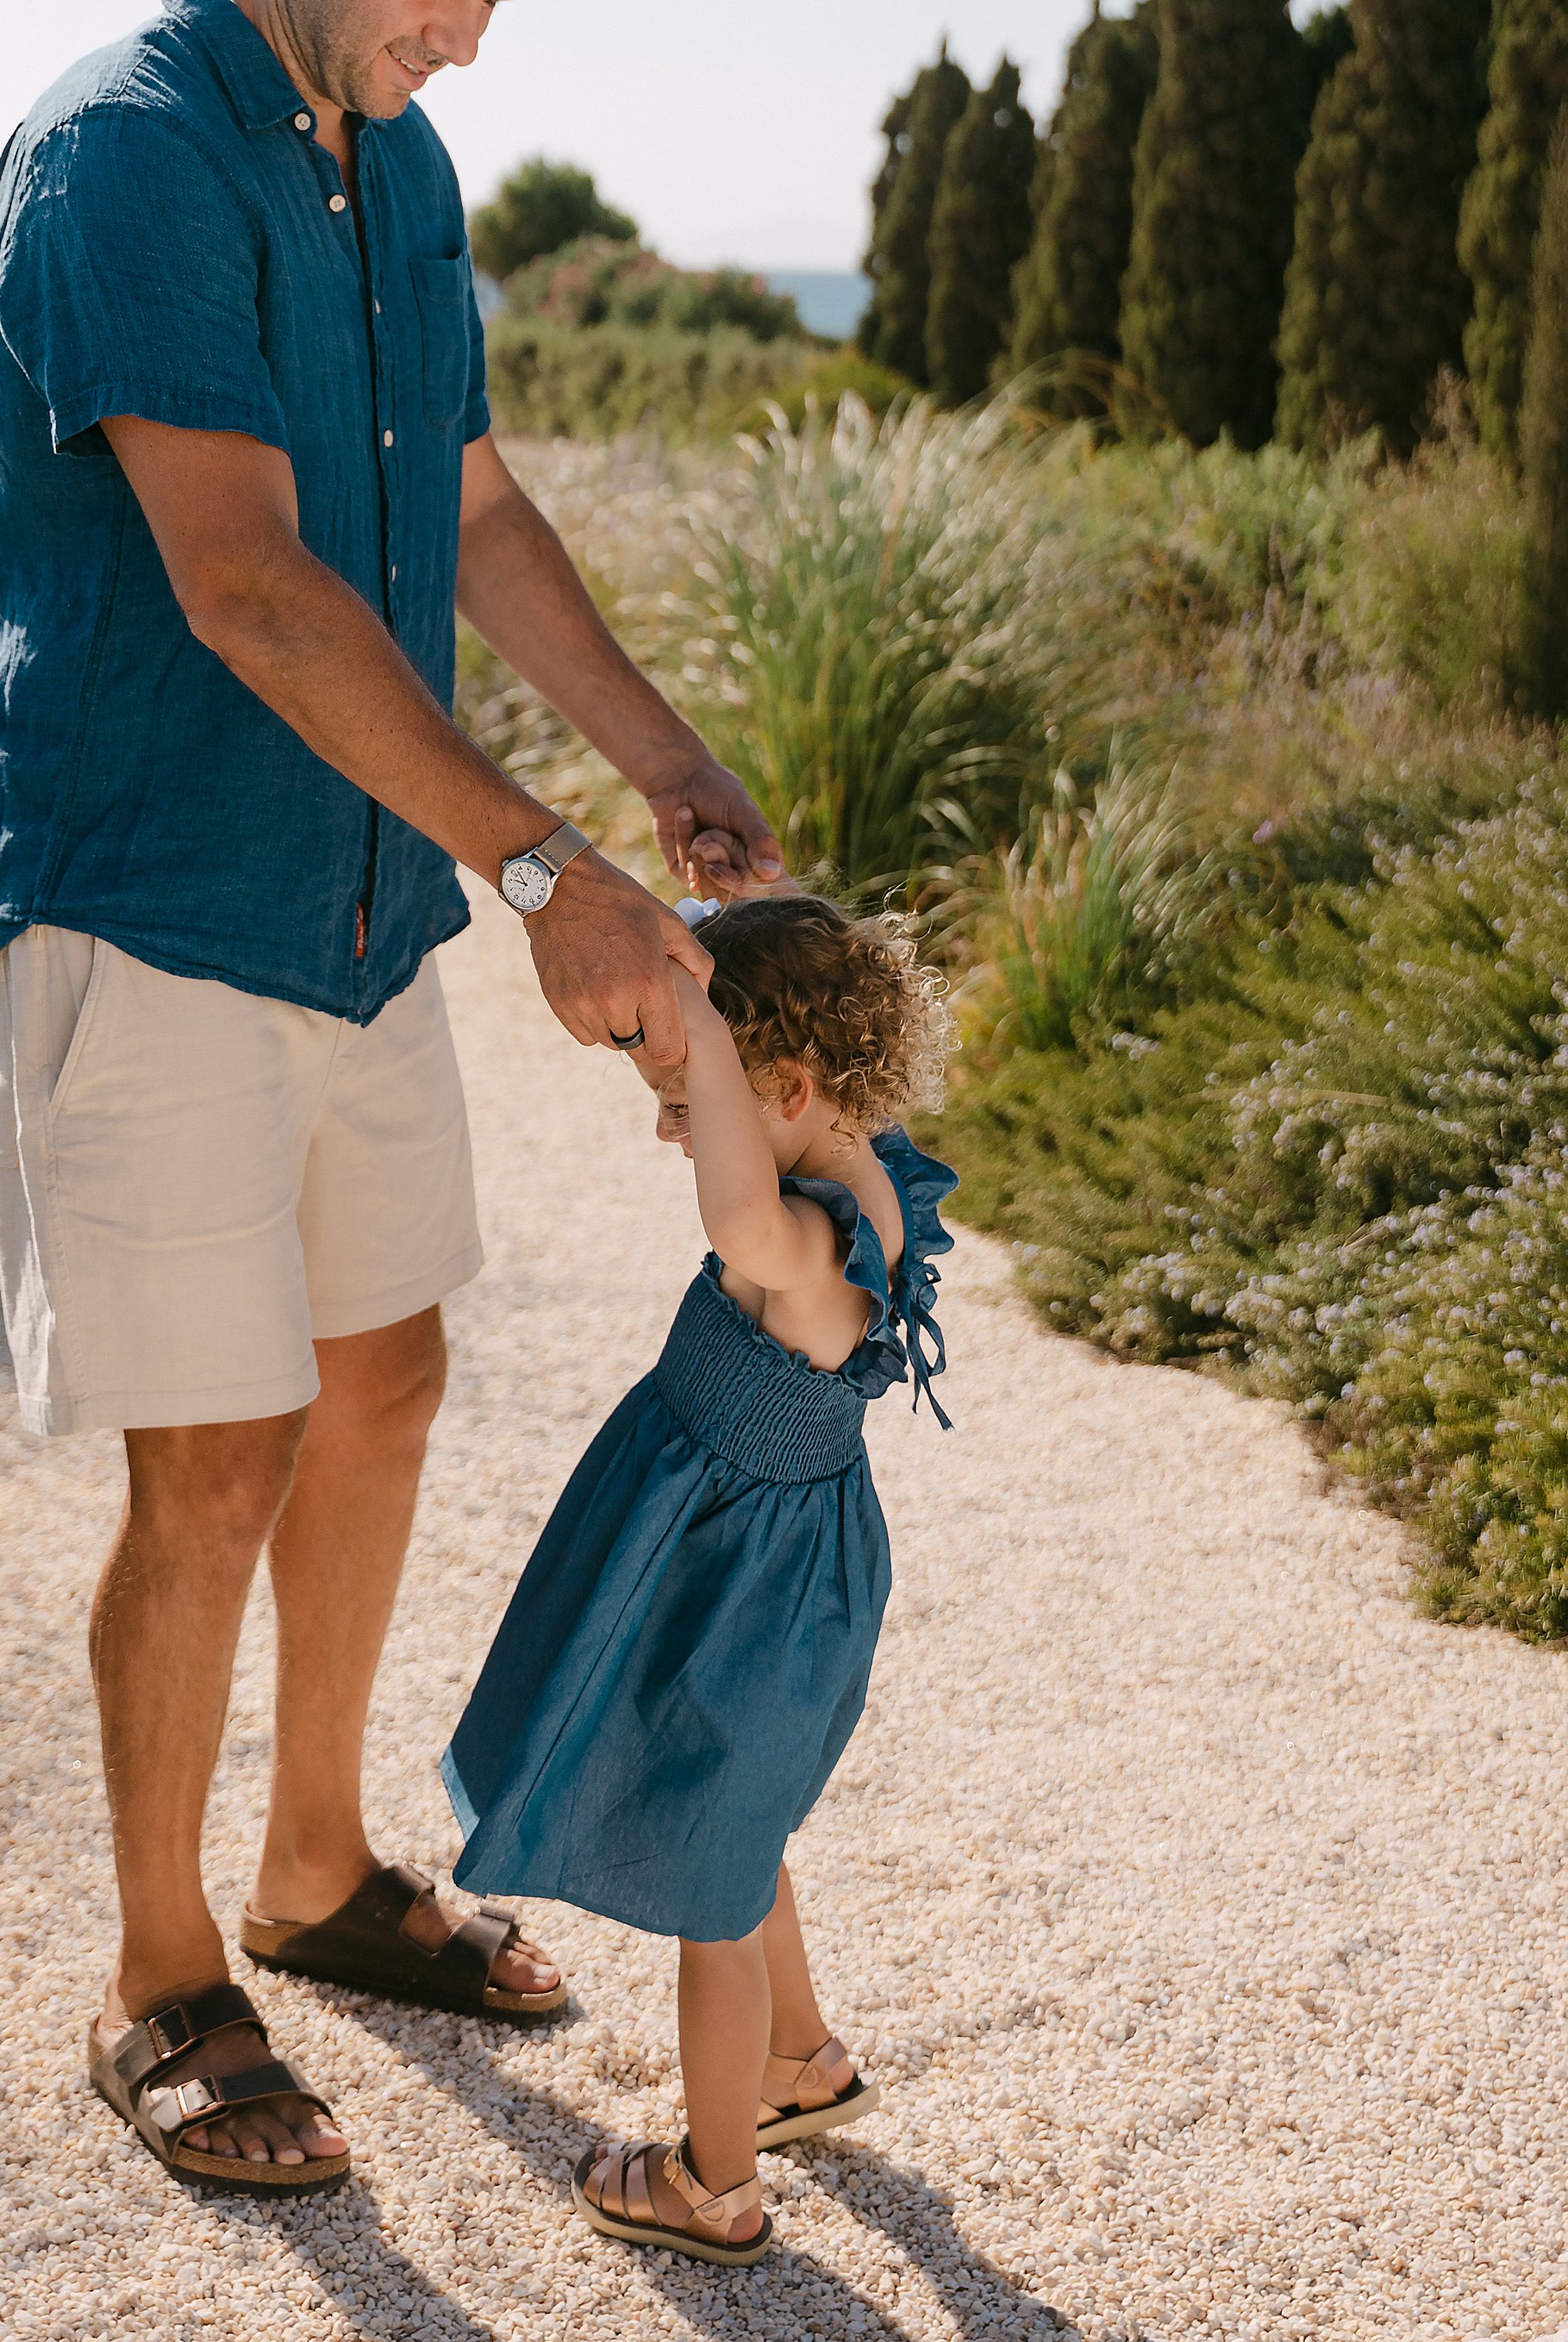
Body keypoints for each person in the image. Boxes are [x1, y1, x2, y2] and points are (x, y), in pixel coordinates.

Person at [0, 0, 784, 2196]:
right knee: (205, 1462)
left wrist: (657, 767)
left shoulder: (395, 178)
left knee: (383, 1388)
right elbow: (244, 579)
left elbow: (475, 503)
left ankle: (317, 1877)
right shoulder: (121, 152)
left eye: (496, 1)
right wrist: (544, 878)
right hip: (145, 905)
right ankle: (158, 1970)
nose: (456, 38)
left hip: (347, 910)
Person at [441, 890, 957, 2264]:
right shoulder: (857, 1153)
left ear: (781, 1084)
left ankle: (715, 2185)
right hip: (741, 1556)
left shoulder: (805, 1245)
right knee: (741, 1823)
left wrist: (711, 1053)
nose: (673, 1126)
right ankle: (802, 2064)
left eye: (688, 1099)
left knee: (711, 1896)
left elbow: (736, 1211)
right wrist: (712, 957)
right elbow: (791, 1006)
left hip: (742, 1585)